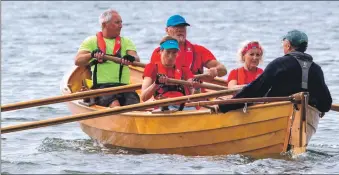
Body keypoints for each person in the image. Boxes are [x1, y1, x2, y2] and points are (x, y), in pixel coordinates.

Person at [219, 29, 332, 113]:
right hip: (304, 113)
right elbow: (326, 104)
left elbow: (256, 90)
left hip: (277, 112)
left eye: (283, 45)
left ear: (288, 45)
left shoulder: (279, 64)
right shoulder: (316, 69)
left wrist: (225, 106)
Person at [74, 9, 141, 108]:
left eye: (121, 22)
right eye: (117, 22)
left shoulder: (126, 42)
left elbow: (136, 59)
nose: (121, 26)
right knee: (115, 105)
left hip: (125, 87)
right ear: (105, 24)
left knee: (135, 108)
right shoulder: (91, 41)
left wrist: (131, 58)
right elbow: (78, 61)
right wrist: (91, 55)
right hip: (102, 88)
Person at [149, 14, 227, 94]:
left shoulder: (199, 50)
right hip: (167, 98)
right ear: (167, 30)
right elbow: (152, 80)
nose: (180, 30)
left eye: (183, 27)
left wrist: (216, 70)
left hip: (195, 98)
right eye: (176, 27)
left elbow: (224, 70)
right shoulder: (159, 52)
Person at [141, 36, 198, 111]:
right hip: (162, 106)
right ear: (161, 51)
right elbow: (143, 97)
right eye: (168, 52)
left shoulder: (184, 69)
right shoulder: (152, 67)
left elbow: (195, 97)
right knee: (167, 108)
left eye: (174, 52)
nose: (171, 56)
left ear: (177, 53)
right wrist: (156, 84)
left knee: (194, 109)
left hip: (183, 107)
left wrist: (196, 87)